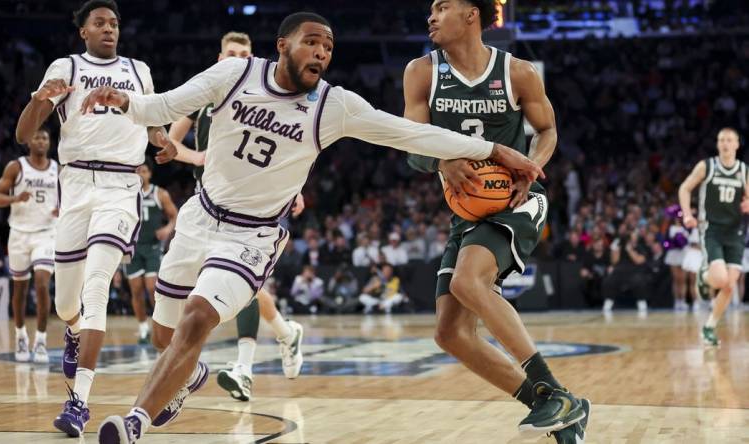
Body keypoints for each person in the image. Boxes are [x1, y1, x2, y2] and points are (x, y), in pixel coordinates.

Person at [88, 11, 542, 443]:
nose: (322, 52)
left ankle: (134, 423)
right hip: (199, 218)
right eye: (312, 42)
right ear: (282, 45)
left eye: (328, 46)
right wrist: (126, 101)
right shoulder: (234, 75)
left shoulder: (333, 105)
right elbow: (164, 105)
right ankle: (190, 374)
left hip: (254, 235)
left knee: (197, 319)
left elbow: (409, 133)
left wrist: (491, 150)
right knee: (166, 336)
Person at [403, 1, 588, 441]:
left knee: (469, 283)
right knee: (450, 334)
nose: (430, 16)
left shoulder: (518, 72)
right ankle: (556, 406)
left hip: (518, 199)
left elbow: (548, 130)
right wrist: (440, 160)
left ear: (472, 14)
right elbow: (410, 142)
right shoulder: (421, 72)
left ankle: (551, 392)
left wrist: (532, 166)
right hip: (467, 212)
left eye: (441, 6)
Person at [14, 0, 177, 437]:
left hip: (121, 187)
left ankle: (78, 404)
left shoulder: (139, 70)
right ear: (83, 32)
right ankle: (71, 329)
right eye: (100, 23)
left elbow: (150, 121)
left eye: (115, 23)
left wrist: (164, 141)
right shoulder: (66, 66)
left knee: (98, 285)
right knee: (68, 304)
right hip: (76, 188)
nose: (109, 29)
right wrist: (39, 99)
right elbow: (24, 134)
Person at [166, 31, 306, 402]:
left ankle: (243, 368)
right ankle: (286, 333)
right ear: (219, 57)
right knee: (244, 288)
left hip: (258, 208)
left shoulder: (264, 97)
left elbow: (287, 150)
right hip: (209, 207)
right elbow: (167, 141)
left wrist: (296, 189)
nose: (238, 58)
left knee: (244, 288)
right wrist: (192, 156)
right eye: (232, 53)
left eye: (245, 54)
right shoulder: (202, 98)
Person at [0, 127, 57, 364]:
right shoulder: (16, 167)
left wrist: (64, 208)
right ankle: (20, 335)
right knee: (19, 290)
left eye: (45, 138)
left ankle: (40, 340)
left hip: (47, 233)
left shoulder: (57, 169)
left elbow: (70, 197)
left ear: (49, 143)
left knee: (42, 283)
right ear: (29, 142)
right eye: (37, 137)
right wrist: (15, 198)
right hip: (19, 233)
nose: (41, 141)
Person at [679, 127, 749, 346]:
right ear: (718, 144)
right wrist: (688, 215)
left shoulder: (744, 171)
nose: (725, 144)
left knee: (730, 285)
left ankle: (709, 326)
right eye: (721, 140)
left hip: (736, 232)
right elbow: (684, 188)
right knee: (720, 280)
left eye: (729, 140)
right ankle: (703, 277)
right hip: (712, 229)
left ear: (737, 144)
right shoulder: (706, 166)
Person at [123, 161, 177, 344]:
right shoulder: (127, 194)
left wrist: (167, 229)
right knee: (136, 290)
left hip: (153, 247)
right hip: (133, 246)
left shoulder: (159, 193)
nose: (140, 175)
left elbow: (175, 216)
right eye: (137, 171)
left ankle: (160, 326)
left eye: (144, 171)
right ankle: (143, 328)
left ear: (150, 174)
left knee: (152, 288)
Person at [602, 229, 651, 313]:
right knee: (608, 281)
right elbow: (614, 261)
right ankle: (609, 301)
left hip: (635, 271)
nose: (632, 238)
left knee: (639, 281)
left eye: (634, 236)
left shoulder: (640, 247)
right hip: (619, 271)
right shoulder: (620, 246)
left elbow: (639, 260)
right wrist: (615, 249)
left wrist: (630, 250)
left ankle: (641, 301)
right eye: (630, 236)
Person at [665, 217, 689, 310]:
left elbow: (689, 240)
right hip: (673, 254)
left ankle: (683, 300)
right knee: (676, 279)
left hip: (683, 254)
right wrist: (674, 243)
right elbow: (666, 242)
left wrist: (682, 241)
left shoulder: (686, 227)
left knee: (683, 279)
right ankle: (676, 301)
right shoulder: (670, 228)